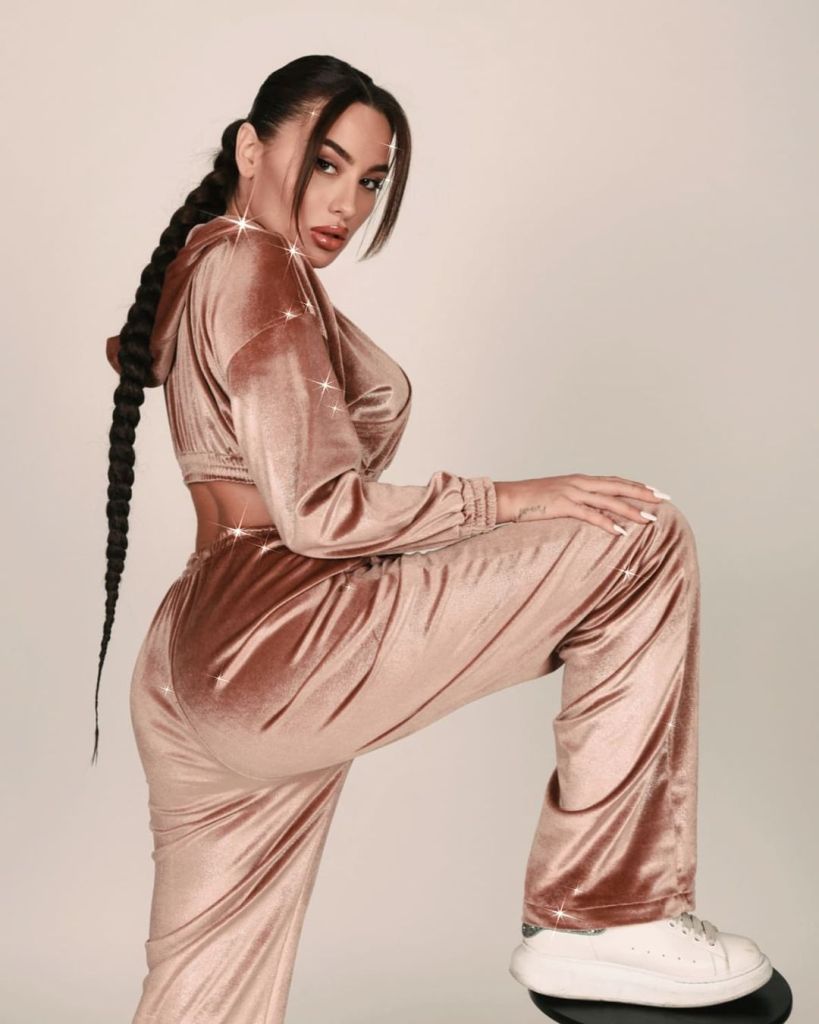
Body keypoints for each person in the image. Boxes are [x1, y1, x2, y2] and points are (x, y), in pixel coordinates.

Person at [98, 55, 771, 1024]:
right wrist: (511, 499)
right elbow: (322, 513)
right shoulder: (256, 266)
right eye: (325, 164)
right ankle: (604, 916)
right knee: (640, 538)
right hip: (275, 639)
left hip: (188, 668)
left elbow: (300, 432)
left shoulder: (208, 261)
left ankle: (603, 922)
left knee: (205, 1001)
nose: (348, 204)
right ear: (250, 148)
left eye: (371, 181)